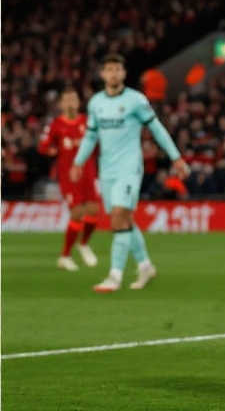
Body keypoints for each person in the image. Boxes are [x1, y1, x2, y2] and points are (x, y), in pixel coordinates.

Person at [71, 54, 189, 293]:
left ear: (124, 73)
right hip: (107, 171)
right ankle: (145, 266)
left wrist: (175, 157)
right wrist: (78, 162)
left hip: (129, 168)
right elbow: (91, 136)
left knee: (118, 216)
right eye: (109, 70)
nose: (113, 74)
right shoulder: (96, 103)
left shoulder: (136, 100)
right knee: (124, 220)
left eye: (117, 69)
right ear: (103, 74)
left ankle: (114, 276)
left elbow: (157, 129)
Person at [37, 88, 101, 271]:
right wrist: (54, 150)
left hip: (88, 173)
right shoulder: (55, 124)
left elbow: (98, 143)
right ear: (61, 104)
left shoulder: (88, 121)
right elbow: (43, 146)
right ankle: (65, 256)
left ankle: (84, 244)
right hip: (69, 176)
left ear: (79, 103)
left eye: (74, 99)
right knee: (77, 212)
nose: (71, 103)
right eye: (67, 100)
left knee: (94, 211)